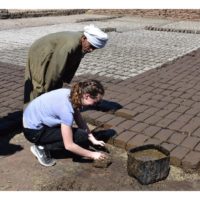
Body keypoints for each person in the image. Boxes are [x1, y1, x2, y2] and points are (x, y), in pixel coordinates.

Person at [23, 79, 108, 167]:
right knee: (80, 136)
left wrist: (93, 140)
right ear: (87, 96)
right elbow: (69, 145)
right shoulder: (66, 110)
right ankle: (42, 148)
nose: (95, 105)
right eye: (95, 102)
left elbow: (79, 119)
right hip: (33, 132)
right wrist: (93, 155)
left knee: (82, 135)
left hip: (34, 123)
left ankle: (45, 142)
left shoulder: (72, 94)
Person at [24, 24, 108, 107]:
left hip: (55, 51)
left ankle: (49, 107)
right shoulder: (70, 45)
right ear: (84, 38)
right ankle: (30, 114)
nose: (91, 50)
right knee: (39, 85)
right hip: (40, 51)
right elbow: (55, 69)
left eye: (94, 48)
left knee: (55, 84)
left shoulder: (83, 42)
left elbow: (73, 60)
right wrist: (47, 91)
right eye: (91, 46)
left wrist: (64, 79)